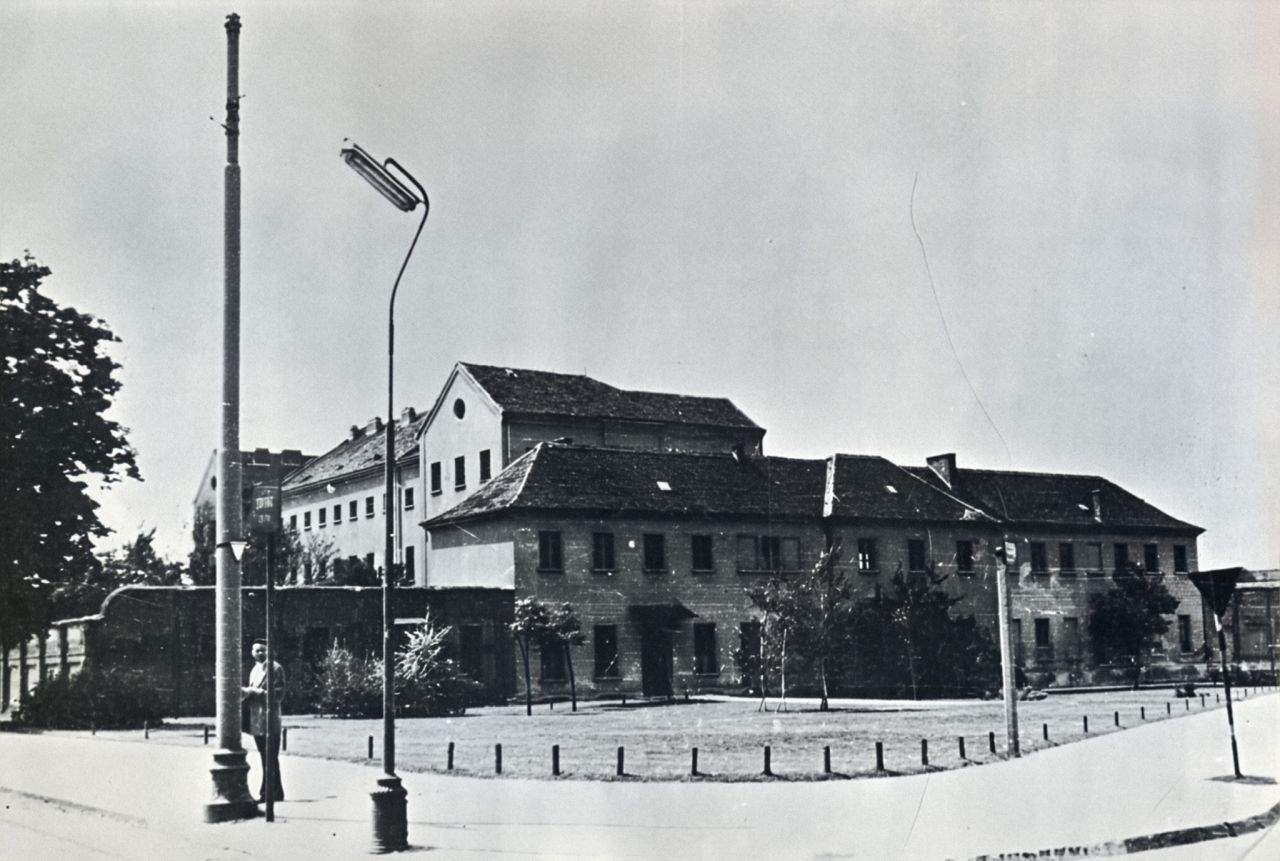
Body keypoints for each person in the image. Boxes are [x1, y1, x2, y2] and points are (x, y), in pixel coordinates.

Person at [242, 638, 285, 803]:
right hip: (257, 720)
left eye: (263, 650)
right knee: (266, 757)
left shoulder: (275, 668)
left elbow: (279, 694)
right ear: (252, 653)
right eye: (257, 650)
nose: (260, 653)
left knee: (270, 757)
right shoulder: (254, 670)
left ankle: (267, 794)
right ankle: (276, 793)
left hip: (270, 719)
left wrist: (256, 692)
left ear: (268, 651)